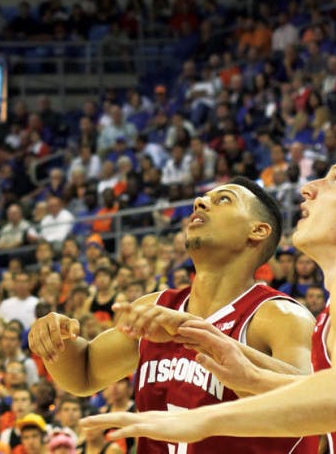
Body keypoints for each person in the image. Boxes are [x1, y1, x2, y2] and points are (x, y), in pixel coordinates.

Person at [75, 149, 336, 453]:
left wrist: (205, 420)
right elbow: (329, 403)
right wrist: (253, 376)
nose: (308, 188)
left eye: (334, 180)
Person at [28, 177, 316, 454]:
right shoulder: (159, 305)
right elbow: (85, 372)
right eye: (202, 198)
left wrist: (198, 334)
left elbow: (311, 403)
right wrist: (55, 338)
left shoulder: (280, 316)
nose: (200, 202)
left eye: (223, 199)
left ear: (257, 231)